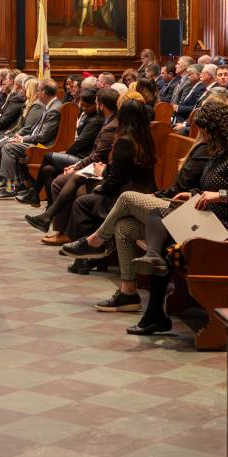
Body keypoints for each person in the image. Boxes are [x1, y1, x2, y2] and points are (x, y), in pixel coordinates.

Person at [118, 96, 228, 335]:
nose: (203, 137)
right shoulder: (218, 152)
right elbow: (207, 187)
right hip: (206, 218)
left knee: (162, 227)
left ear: (221, 130)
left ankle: (154, 313)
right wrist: (191, 194)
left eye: (207, 132)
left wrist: (219, 195)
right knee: (158, 216)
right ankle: (154, 305)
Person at [49, 98, 160, 311]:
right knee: (86, 196)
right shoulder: (145, 138)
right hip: (143, 192)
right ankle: (91, 253)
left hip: (125, 195)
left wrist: (100, 178)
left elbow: (115, 180)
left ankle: (88, 255)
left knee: (82, 201)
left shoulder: (125, 141)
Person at [0, 79, 62, 198]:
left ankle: (10, 187)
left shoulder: (53, 109)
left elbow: (43, 136)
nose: (37, 93)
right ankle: (23, 183)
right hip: (36, 141)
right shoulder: (52, 105)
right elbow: (37, 130)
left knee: (9, 147)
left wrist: (23, 139)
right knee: (9, 143)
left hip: (44, 146)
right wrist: (23, 137)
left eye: (38, 91)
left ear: (43, 92)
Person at [31, 90, 109, 205]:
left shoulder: (95, 121)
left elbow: (80, 142)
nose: (84, 108)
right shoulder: (88, 116)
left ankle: (34, 193)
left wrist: (66, 153)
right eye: (82, 105)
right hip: (79, 155)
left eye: (88, 106)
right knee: (48, 170)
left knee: (47, 156)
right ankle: (48, 206)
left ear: (96, 105)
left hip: (83, 158)